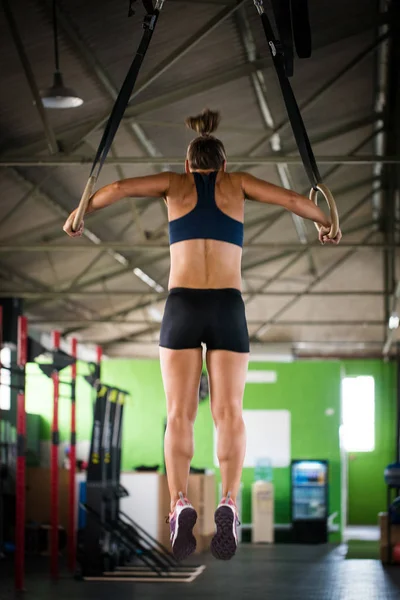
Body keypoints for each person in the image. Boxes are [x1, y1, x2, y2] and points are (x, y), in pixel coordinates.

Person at [63, 108, 341, 561]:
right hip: (227, 305)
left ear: (189, 164)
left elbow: (115, 189)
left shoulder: (175, 184)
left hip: (183, 304)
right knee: (229, 412)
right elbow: (294, 200)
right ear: (225, 165)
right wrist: (326, 221)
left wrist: (80, 212)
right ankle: (229, 500)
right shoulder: (239, 183)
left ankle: (180, 504)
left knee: (179, 414)